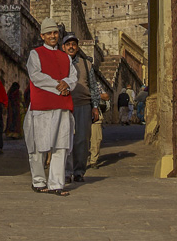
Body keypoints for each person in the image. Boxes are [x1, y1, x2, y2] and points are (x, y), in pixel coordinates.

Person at [23, 17, 77, 196]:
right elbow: (36, 76)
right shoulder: (35, 54)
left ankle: (56, 183)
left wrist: (67, 84)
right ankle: (38, 181)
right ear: (42, 36)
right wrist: (57, 86)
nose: (52, 36)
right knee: (39, 145)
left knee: (60, 145)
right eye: (48, 33)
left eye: (55, 33)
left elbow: (73, 76)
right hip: (42, 105)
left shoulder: (66, 57)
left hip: (62, 105)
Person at [61, 33, 100, 182]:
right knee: (65, 139)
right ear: (63, 47)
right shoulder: (60, 62)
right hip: (64, 105)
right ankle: (66, 171)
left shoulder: (86, 64)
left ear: (77, 47)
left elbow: (93, 86)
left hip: (83, 104)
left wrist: (95, 106)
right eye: (68, 44)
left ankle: (79, 171)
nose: (71, 47)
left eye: (74, 44)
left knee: (82, 139)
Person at [88, 87, 111, 168]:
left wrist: (94, 95)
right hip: (81, 113)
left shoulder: (95, 85)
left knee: (96, 139)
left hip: (96, 115)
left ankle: (93, 160)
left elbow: (106, 97)